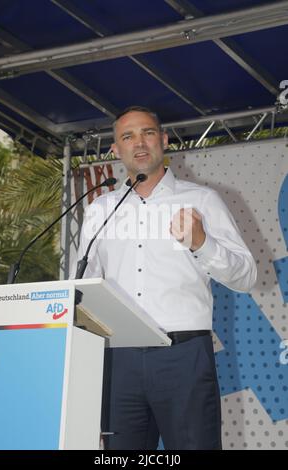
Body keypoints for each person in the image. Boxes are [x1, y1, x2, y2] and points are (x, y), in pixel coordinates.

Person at [73, 106, 257, 450]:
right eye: (127, 136)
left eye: (147, 133)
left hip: (183, 355)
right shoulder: (100, 209)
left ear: (164, 140)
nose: (138, 143)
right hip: (119, 359)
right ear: (115, 149)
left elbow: (246, 276)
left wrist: (203, 243)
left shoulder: (202, 199)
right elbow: (84, 288)